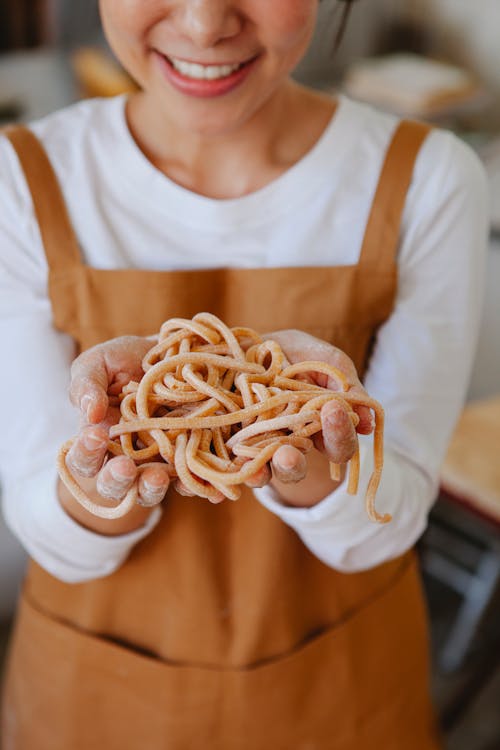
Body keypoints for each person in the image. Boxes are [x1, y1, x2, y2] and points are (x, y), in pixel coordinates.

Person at [0, 1, 489, 748]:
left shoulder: (429, 179)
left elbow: (390, 520)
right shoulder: (19, 183)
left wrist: (312, 466)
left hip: (342, 687)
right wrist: (100, 477)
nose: (202, 24)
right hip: (95, 693)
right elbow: (48, 532)